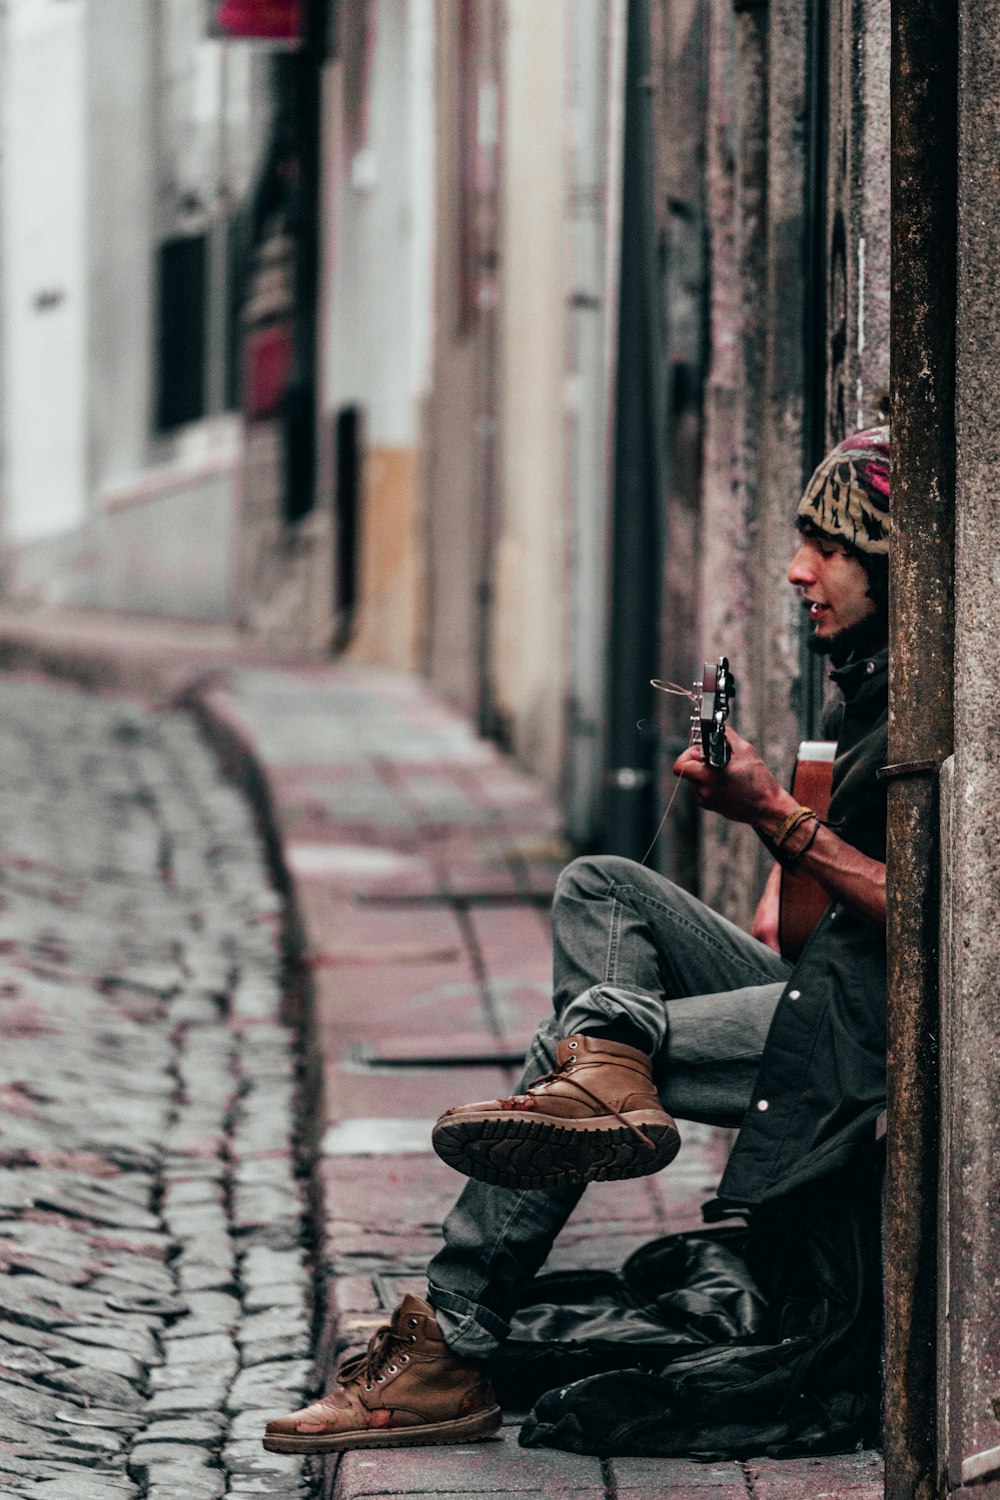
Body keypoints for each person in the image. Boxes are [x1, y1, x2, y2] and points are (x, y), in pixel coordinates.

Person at [262, 428, 890, 1456]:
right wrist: (786, 825)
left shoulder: (944, 701)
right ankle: (602, 1076)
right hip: (827, 983)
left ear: (892, 558)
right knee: (602, 889)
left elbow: (939, 921)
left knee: (576, 1060)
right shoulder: (860, 683)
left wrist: (777, 814)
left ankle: (448, 1343)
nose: (797, 571)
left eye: (829, 546)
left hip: (880, 1025)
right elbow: (804, 926)